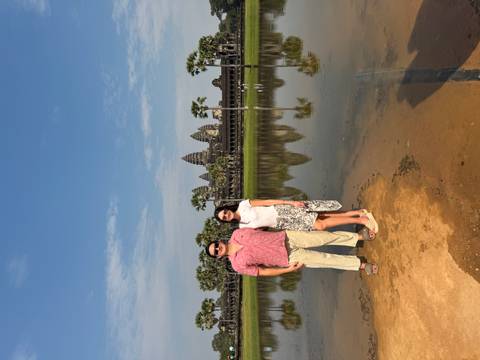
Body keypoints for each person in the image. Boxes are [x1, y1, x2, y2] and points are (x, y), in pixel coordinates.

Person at [205, 227, 378, 276]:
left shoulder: (238, 233)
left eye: (216, 245)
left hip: (287, 237)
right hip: (287, 257)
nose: (218, 248)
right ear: (219, 256)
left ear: (219, 241)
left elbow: (262, 226)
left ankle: (358, 237)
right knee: (325, 259)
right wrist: (288, 270)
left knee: (325, 237)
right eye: (216, 251)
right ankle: (361, 265)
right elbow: (262, 271)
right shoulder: (237, 265)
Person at [214, 199, 378, 235]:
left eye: (225, 213)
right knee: (320, 217)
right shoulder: (243, 227)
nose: (226, 216)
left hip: (282, 210)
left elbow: (267, 201)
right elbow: (265, 230)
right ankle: (356, 213)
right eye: (224, 218)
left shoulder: (244, 205)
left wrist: (290, 202)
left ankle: (360, 219)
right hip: (283, 223)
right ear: (225, 221)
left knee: (320, 223)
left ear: (227, 209)